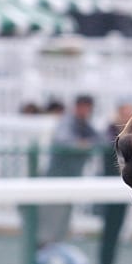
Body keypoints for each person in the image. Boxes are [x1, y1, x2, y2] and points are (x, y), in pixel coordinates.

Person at [37, 94, 100, 247]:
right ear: (77, 107)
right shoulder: (67, 121)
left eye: (88, 108)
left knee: (62, 217)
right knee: (51, 217)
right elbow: (62, 140)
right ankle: (43, 247)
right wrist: (81, 144)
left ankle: (53, 246)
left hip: (70, 179)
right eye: (84, 107)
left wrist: (86, 144)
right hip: (56, 179)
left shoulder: (84, 124)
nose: (86, 111)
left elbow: (100, 139)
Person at [96, 102, 132, 264]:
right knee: (109, 235)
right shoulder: (111, 133)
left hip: (121, 192)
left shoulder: (129, 132)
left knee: (113, 234)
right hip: (110, 192)